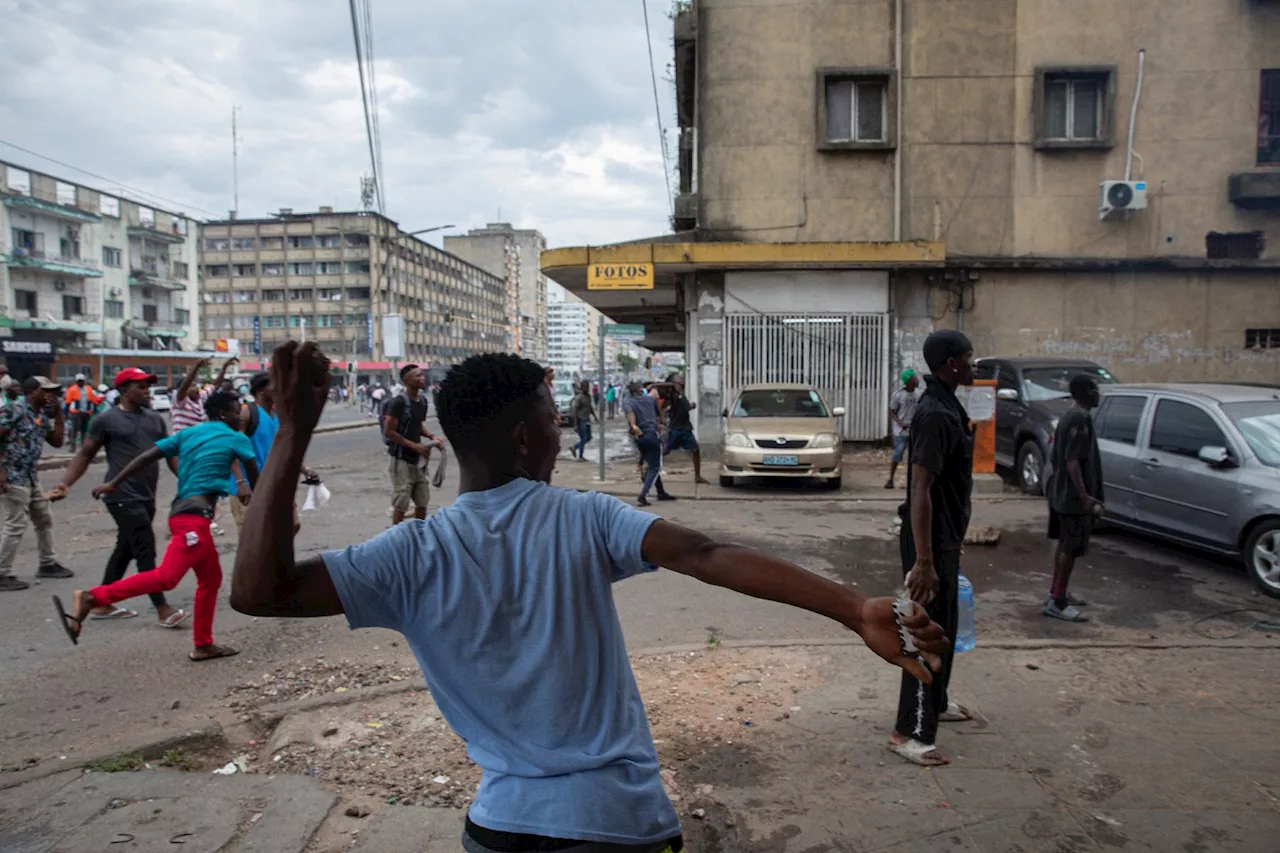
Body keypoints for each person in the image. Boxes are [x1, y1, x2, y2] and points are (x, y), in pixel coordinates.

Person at [228, 344, 947, 853]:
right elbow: (706, 554)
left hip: (497, 826)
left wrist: (292, 433)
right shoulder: (583, 517)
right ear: (523, 437)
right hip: (616, 823)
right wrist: (852, 606)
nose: (559, 427)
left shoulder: (411, 553)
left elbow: (260, 591)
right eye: (551, 416)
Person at [53, 391, 259, 661]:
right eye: (236, 411)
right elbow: (259, 479)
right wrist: (257, 494)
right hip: (193, 519)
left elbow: (145, 457)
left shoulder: (189, 434)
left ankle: (203, 644)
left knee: (210, 580)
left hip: (185, 513)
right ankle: (94, 597)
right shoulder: (237, 437)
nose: (240, 415)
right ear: (223, 414)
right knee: (167, 577)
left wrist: (114, 482)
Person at [889, 330, 976, 767]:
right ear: (950, 364)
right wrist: (923, 562)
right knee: (925, 634)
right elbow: (920, 489)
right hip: (930, 542)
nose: (973, 365)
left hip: (943, 539)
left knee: (947, 627)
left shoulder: (949, 405)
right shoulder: (936, 413)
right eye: (967, 358)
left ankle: (936, 703)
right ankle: (909, 732)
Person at [48, 368, 188, 626]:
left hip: (147, 495)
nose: (147, 392)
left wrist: (188, 483)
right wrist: (65, 483)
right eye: (141, 387)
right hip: (120, 493)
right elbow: (85, 454)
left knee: (125, 548)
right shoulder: (106, 420)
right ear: (124, 390)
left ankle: (100, 602)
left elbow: (170, 454)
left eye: (148, 386)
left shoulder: (155, 419)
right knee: (145, 550)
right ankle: (162, 608)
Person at [0, 376, 72, 590]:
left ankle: (47, 563)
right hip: (12, 474)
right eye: (46, 390)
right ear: (32, 392)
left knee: (43, 518)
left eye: (53, 391)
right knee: (15, 524)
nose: (51, 395)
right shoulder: (14, 410)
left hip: (31, 476)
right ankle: (2, 573)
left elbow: (57, 441)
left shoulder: (40, 414)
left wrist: (59, 413)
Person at [1044, 375, 1104, 623]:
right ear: (1088, 392)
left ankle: (1057, 593)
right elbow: (1071, 461)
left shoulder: (1073, 415)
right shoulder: (1079, 417)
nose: (1098, 393)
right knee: (1070, 547)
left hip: (1062, 492)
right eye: (1095, 389)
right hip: (1072, 498)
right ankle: (1057, 602)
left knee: (1064, 545)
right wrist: (1085, 497)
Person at [229, 373, 316, 535]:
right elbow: (232, 449)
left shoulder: (278, 416)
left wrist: (304, 470)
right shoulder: (247, 413)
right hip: (250, 486)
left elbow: (285, 450)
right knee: (252, 535)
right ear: (262, 390)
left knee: (292, 524)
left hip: (275, 484)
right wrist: (240, 482)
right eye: (274, 386)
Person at [383, 364, 445, 524]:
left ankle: (418, 535)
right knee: (401, 502)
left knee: (422, 500)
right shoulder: (398, 403)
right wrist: (414, 445)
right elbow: (389, 431)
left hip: (418, 460)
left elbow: (418, 425)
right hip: (401, 459)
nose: (422, 378)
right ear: (406, 380)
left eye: (422, 375)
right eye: (417, 376)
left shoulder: (422, 401)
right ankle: (397, 536)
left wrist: (432, 437)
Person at [625, 382, 673, 507]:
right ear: (640, 390)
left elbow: (631, 419)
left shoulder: (629, 402)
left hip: (639, 437)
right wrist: (661, 423)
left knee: (652, 464)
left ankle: (661, 492)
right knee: (655, 467)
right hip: (651, 434)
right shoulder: (650, 400)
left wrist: (635, 427)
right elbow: (660, 413)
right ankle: (643, 495)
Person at [661, 374, 709, 485]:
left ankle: (697, 476)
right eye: (678, 378)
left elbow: (684, 408)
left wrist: (691, 406)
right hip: (676, 428)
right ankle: (648, 464)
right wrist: (672, 384)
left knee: (695, 450)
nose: (681, 379)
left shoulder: (682, 393)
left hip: (685, 427)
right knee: (665, 451)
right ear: (673, 381)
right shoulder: (672, 392)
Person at [172, 357, 236, 433]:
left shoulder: (201, 398)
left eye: (195, 385)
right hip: (182, 442)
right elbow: (184, 386)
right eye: (192, 386)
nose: (196, 388)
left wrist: (224, 368)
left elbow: (215, 384)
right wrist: (197, 367)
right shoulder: (180, 401)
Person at [885, 369, 923, 489]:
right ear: (908, 381)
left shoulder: (919, 394)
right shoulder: (898, 394)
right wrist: (900, 423)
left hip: (914, 429)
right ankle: (890, 479)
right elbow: (892, 411)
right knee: (898, 454)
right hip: (901, 430)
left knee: (915, 456)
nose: (916, 380)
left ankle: (913, 481)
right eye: (914, 378)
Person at [63, 374, 101, 453]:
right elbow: (68, 402)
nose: (81, 382)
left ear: (84, 381)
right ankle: (72, 447)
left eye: (82, 381)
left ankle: (83, 447)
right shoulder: (72, 389)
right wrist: (65, 412)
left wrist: (94, 410)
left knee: (84, 430)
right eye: (79, 381)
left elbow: (93, 401)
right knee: (74, 429)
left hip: (86, 412)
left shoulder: (89, 389)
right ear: (76, 381)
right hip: (75, 412)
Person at [570, 380, 596, 460]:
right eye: (584, 386)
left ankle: (575, 447)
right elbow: (575, 411)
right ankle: (580, 456)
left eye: (587, 386)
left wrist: (594, 416)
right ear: (582, 387)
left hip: (587, 419)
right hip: (581, 420)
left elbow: (590, 407)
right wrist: (575, 424)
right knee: (583, 438)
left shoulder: (588, 396)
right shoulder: (579, 398)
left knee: (589, 437)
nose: (586, 388)